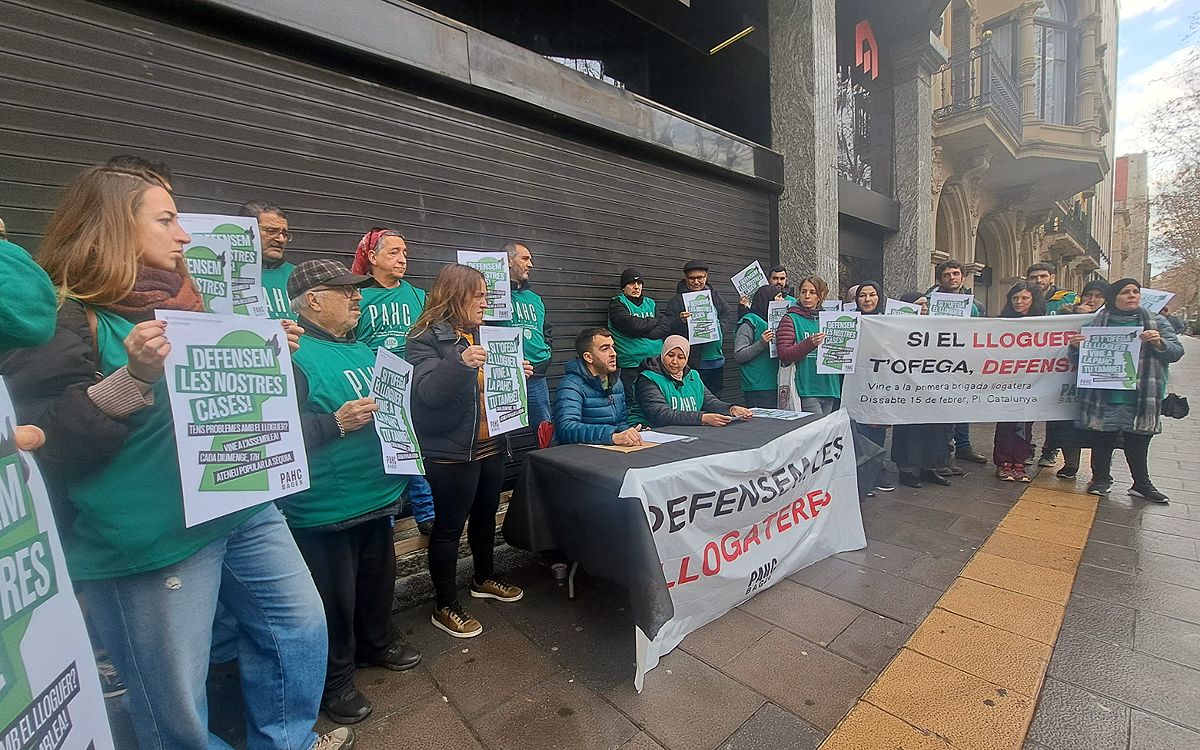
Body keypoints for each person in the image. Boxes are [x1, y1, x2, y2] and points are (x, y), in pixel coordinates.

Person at [2, 164, 352, 750]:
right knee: (175, 710)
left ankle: (286, 741)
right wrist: (132, 378)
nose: (184, 236)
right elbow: (44, 442)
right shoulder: (68, 316)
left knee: (298, 629)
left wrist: (271, 356)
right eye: (165, 220)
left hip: (242, 509)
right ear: (113, 228)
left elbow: (278, 407)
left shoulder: (200, 306)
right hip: (150, 540)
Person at [284, 259, 422, 725]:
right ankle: (334, 680)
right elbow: (271, 432)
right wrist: (335, 424)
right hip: (325, 507)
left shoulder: (363, 351)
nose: (359, 298)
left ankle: (376, 643)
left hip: (376, 496)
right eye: (347, 292)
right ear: (315, 301)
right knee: (332, 601)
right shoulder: (292, 355)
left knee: (375, 584)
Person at [408, 264, 529, 639]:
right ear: (454, 294)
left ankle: (484, 578)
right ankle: (445, 604)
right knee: (447, 529)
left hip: (491, 444)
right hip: (451, 452)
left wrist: (516, 372)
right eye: (477, 294)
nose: (485, 301)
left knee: (485, 516)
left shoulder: (487, 334)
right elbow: (426, 394)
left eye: (485, 294)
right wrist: (459, 364)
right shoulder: (425, 339)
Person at [349, 228, 435, 535]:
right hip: (374, 385)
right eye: (393, 253)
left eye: (405, 253)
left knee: (414, 447)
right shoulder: (359, 295)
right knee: (383, 449)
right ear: (372, 257)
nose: (402, 259)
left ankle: (426, 513)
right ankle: (384, 517)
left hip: (415, 382)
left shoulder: (417, 296)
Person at [1070, 278, 1184, 501]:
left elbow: (1176, 352)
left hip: (1141, 395)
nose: (1132, 295)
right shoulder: (1095, 323)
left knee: (1138, 441)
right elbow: (1079, 360)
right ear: (1114, 298)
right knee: (1103, 439)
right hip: (1104, 395)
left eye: (1135, 291)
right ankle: (1101, 479)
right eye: (1125, 292)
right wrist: (1075, 348)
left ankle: (1141, 484)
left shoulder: (1157, 322)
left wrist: (1160, 342)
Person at [1041, 282, 1107, 479]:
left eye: (1098, 296)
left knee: (1100, 428)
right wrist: (1075, 316)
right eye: (1089, 295)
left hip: (1100, 381)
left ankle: (1100, 472)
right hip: (1066, 376)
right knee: (1068, 423)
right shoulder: (1067, 313)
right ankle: (1070, 464)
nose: (1092, 300)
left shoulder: (1112, 319)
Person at [890, 292, 953, 488]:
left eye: (926, 305)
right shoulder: (896, 330)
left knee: (933, 430)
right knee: (910, 431)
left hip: (932, 387)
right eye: (918, 305)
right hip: (907, 387)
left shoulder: (937, 326)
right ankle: (907, 470)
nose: (924, 309)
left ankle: (929, 468)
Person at [929, 259, 988, 464]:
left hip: (963, 363)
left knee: (963, 404)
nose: (951, 278)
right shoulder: (926, 302)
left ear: (963, 277)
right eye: (946, 275)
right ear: (939, 279)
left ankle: (963, 446)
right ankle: (942, 450)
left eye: (955, 274)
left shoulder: (976, 305)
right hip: (935, 363)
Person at [655, 260, 740, 397]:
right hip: (694, 362)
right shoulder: (677, 301)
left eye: (700, 277)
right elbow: (667, 327)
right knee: (696, 397)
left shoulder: (714, 296)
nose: (696, 281)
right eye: (691, 278)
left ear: (706, 277)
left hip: (716, 359)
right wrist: (680, 321)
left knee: (716, 397)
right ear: (685, 278)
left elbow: (726, 313)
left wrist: (720, 328)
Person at [993, 282, 1047, 482]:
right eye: (1015, 298)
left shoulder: (1045, 325)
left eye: (1024, 298)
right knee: (1006, 422)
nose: (1019, 301)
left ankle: (1019, 462)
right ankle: (1003, 463)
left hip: (1032, 381)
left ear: (1033, 300)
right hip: (1007, 380)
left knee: (1025, 424)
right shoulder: (1002, 323)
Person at [637, 335, 753, 427]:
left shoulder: (693, 376)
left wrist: (731, 409)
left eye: (681, 357)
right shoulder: (648, 379)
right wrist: (702, 418)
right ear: (662, 354)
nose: (674, 361)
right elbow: (661, 414)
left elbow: (709, 401)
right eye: (670, 355)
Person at [554, 328, 644, 446]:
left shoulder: (616, 382)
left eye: (613, 347)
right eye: (605, 349)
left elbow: (621, 422)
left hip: (613, 449)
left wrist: (631, 433)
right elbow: (566, 428)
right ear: (588, 357)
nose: (613, 353)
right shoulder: (571, 386)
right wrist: (611, 436)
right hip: (581, 453)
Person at [501, 242, 553, 428]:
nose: (530, 264)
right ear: (507, 261)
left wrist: (546, 354)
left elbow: (546, 331)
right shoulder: (492, 297)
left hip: (536, 376)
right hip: (504, 377)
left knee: (544, 430)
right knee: (501, 433)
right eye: (525, 258)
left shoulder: (535, 299)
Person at [776, 275, 840, 416]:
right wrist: (809, 343)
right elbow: (784, 354)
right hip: (806, 389)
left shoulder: (829, 319)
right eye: (804, 292)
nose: (807, 296)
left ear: (821, 296)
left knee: (825, 433)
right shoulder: (790, 319)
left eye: (812, 292)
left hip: (829, 388)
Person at [608, 267, 665, 395]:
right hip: (631, 366)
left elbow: (664, 325)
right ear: (623, 287)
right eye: (631, 283)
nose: (636, 287)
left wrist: (645, 331)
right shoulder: (617, 304)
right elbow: (633, 326)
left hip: (655, 362)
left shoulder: (650, 302)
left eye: (639, 283)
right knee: (632, 401)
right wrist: (652, 322)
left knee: (656, 398)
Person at [241, 200, 296, 319]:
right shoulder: (228, 274)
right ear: (247, 231)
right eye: (271, 231)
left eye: (285, 234)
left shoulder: (297, 276)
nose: (281, 239)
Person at [734, 285, 785, 408]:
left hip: (776, 383)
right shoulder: (749, 322)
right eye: (779, 297)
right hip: (757, 386)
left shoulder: (776, 322)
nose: (782, 300)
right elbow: (739, 354)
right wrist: (761, 343)